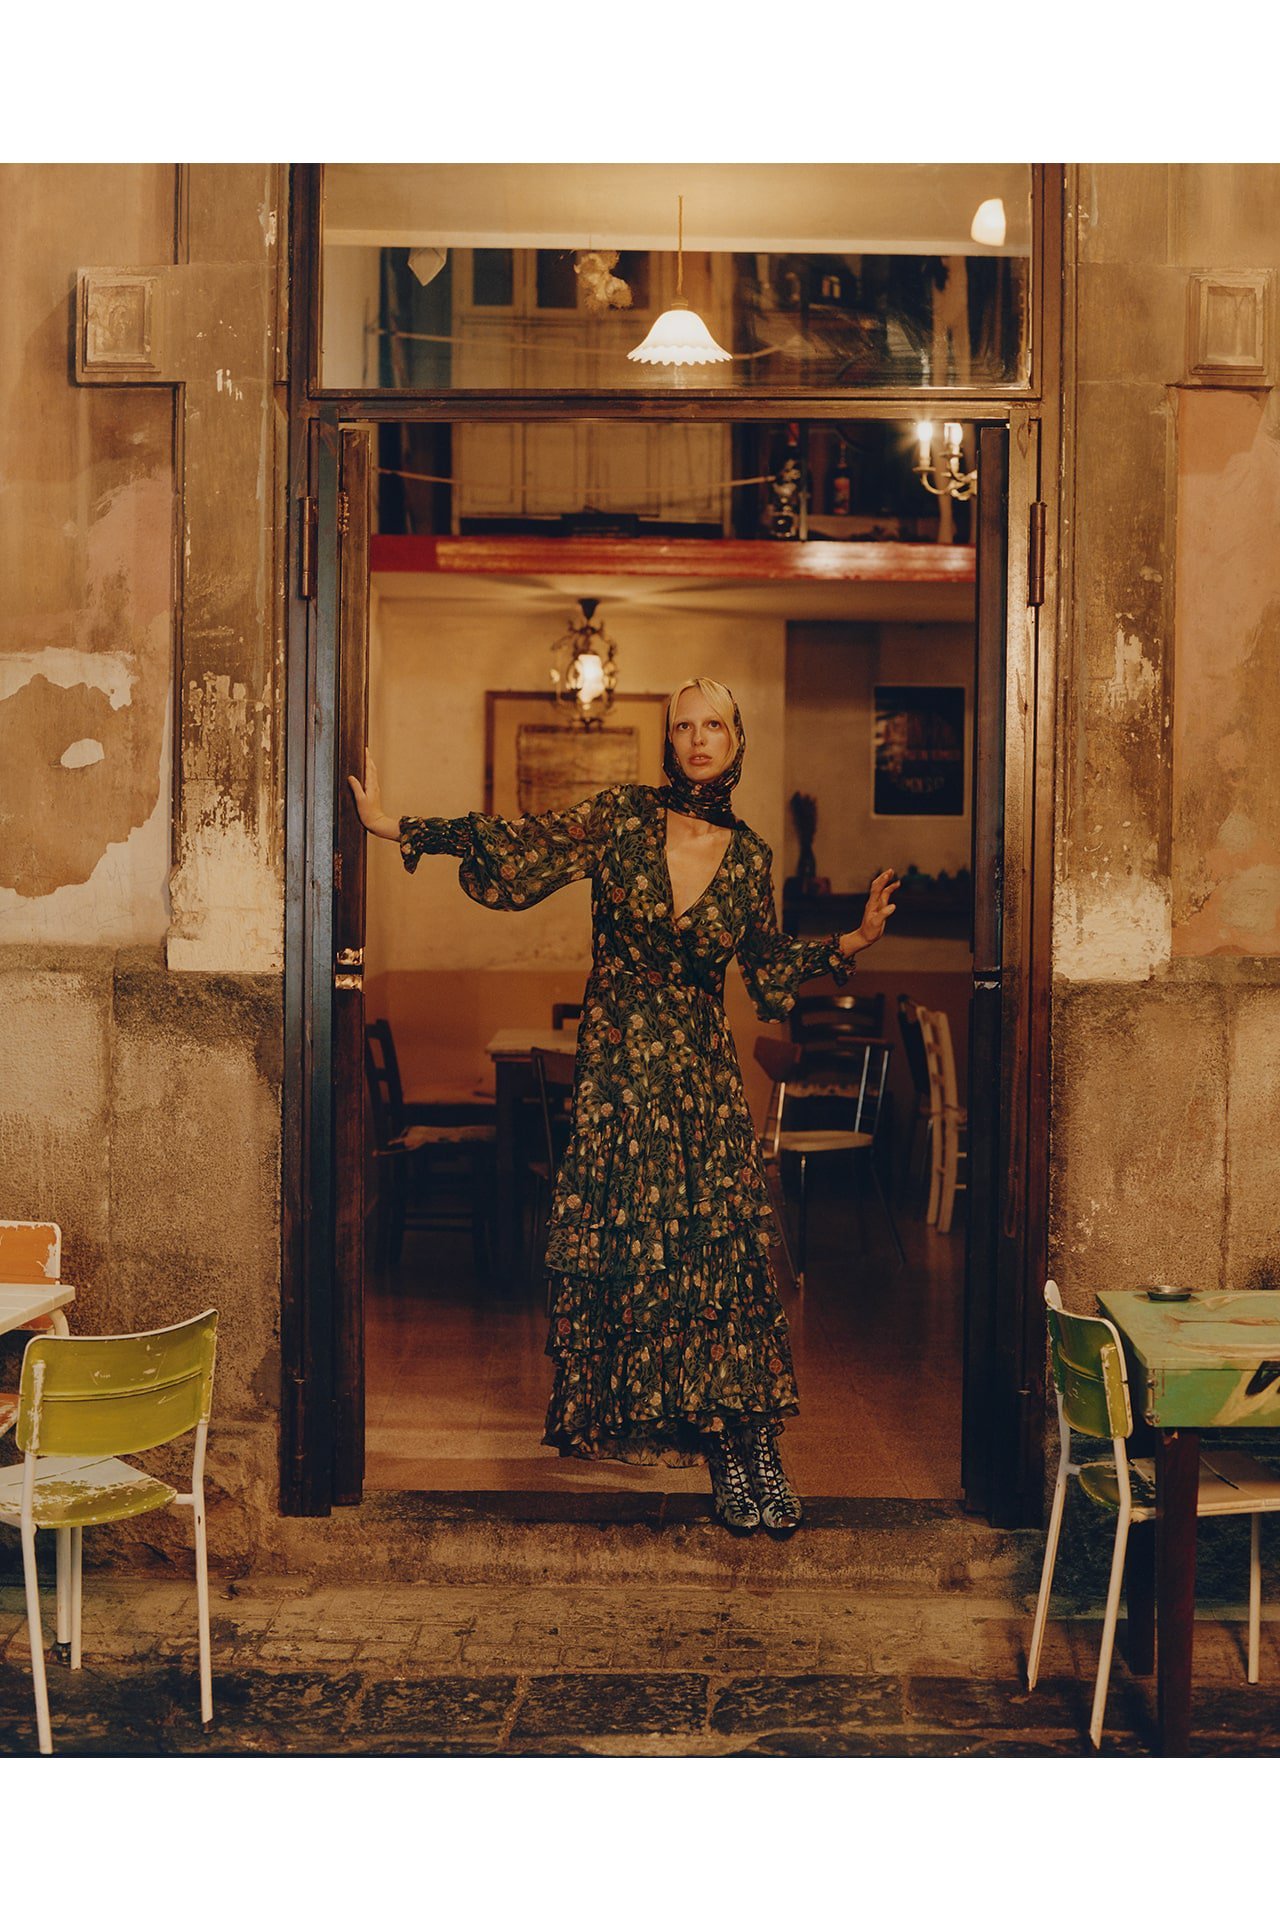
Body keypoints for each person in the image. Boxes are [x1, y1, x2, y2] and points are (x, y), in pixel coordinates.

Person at [349, 677, 898, 1536]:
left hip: (701, 1082)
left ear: (736, 741)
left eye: (714, 725)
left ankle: (753, 1444)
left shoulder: (751, 857)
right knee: (646, 1261)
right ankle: (707, 1439)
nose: (698, 739)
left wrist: (851, 942)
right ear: (669, 741)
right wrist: (400, 827)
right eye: (684, 726)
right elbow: (521, 844)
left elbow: (765, 969)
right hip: (619, 1080)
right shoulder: (622, 819)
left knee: (724, 1261)